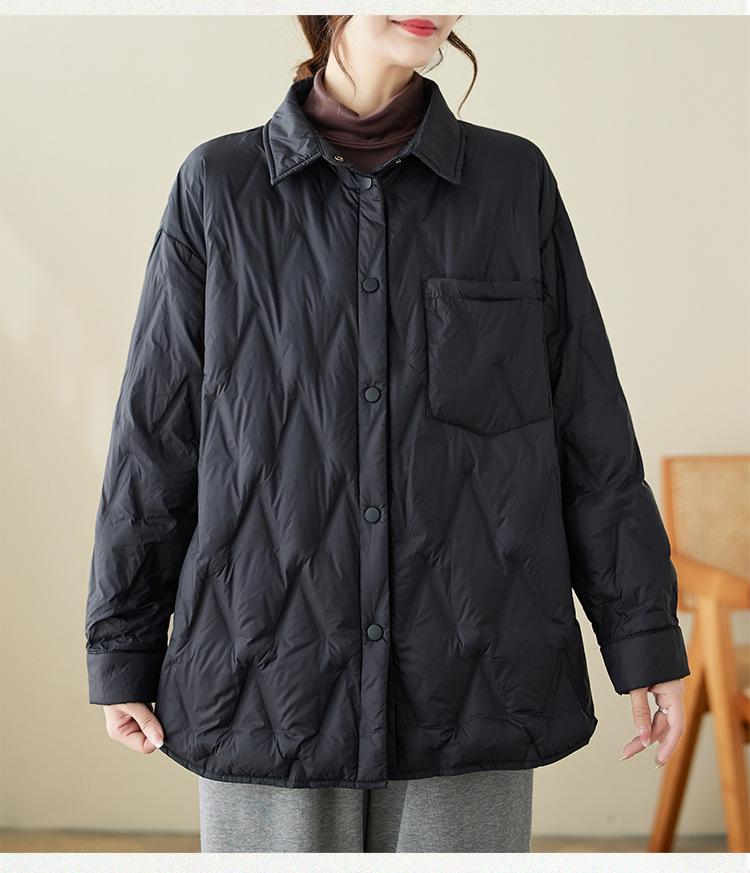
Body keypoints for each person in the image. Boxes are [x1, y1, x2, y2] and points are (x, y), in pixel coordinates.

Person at [84, 14, 690, 853]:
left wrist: (644, 637)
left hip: (473, 676)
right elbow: (156, 437)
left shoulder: (513, 183)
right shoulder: (218, 187)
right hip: (267, 673)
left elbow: (589, 431)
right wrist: (122, 642)